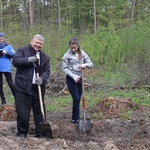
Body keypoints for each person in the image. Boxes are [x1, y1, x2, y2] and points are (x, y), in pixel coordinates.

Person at [12, 34, 50, 139]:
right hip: (23, 87)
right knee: (23, 112)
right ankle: (22, 132)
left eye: (40, 44)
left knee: (39, 112)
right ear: (31, 42)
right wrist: (28, 59)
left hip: (37, 88)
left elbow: (47, 71)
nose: (38, 45)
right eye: (36, 43)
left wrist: (42, 79)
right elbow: (15, 61)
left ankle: (40, 132)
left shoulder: (45, 57)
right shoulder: (22, 51)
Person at [62, 37, 93, 124]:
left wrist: (85, 64)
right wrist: (73, 75)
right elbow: (64, 68)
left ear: (78, 46)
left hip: (80, 78)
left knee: (79, 98)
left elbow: (91, 64)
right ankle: (74, 119)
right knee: (75, 98)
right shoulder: (66, 55)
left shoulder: (82, 53)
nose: (73, 49)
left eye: (75, 48)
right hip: (71, 78)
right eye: (71, 48)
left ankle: (78, 118)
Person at [0, 32, 16, 106]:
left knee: (11, 84)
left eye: (2, 39)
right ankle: (3, 101)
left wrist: (6, 53)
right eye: (0, 39)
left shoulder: (8, 46)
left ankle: (17, 100)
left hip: (7, 68)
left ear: (4, 39)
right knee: (0, 85)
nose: (1, 40)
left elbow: (14, 56)